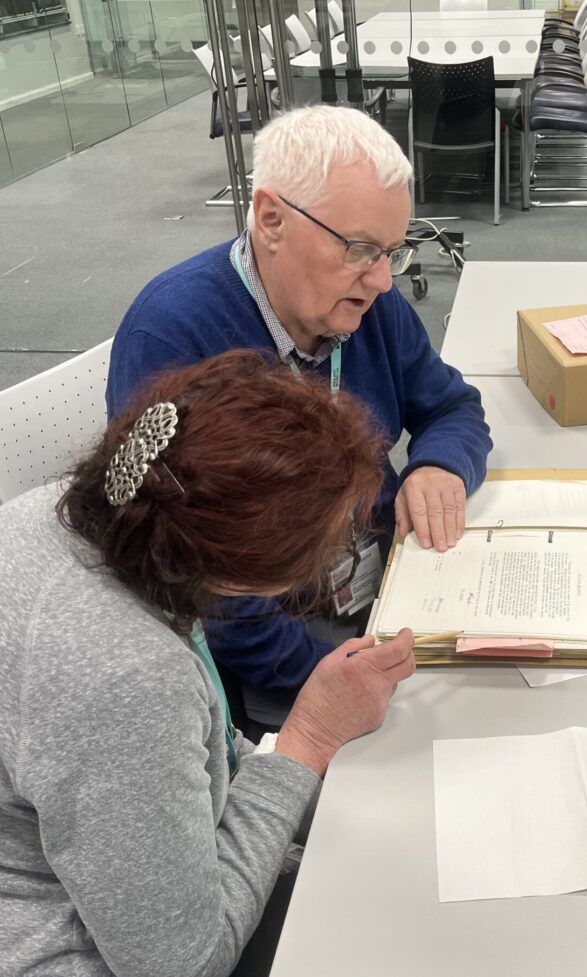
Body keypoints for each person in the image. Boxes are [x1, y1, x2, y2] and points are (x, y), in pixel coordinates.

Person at [0, 350, 416, 977]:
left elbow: (192, 751)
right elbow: (184, 964)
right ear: (246, 573)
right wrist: (309, 740)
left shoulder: (69, 513)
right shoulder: (128, 675)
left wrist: (306, 785)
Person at [105, 106, 491, 727]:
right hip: (283, 645)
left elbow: (452, 406)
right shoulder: (175, 336)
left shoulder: (365, 302)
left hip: (394, 583)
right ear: (272, 220)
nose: (383, 280)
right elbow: (192, 577)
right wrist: (332, 678)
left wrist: (439, 465)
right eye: (360, 248)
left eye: (393, 251)